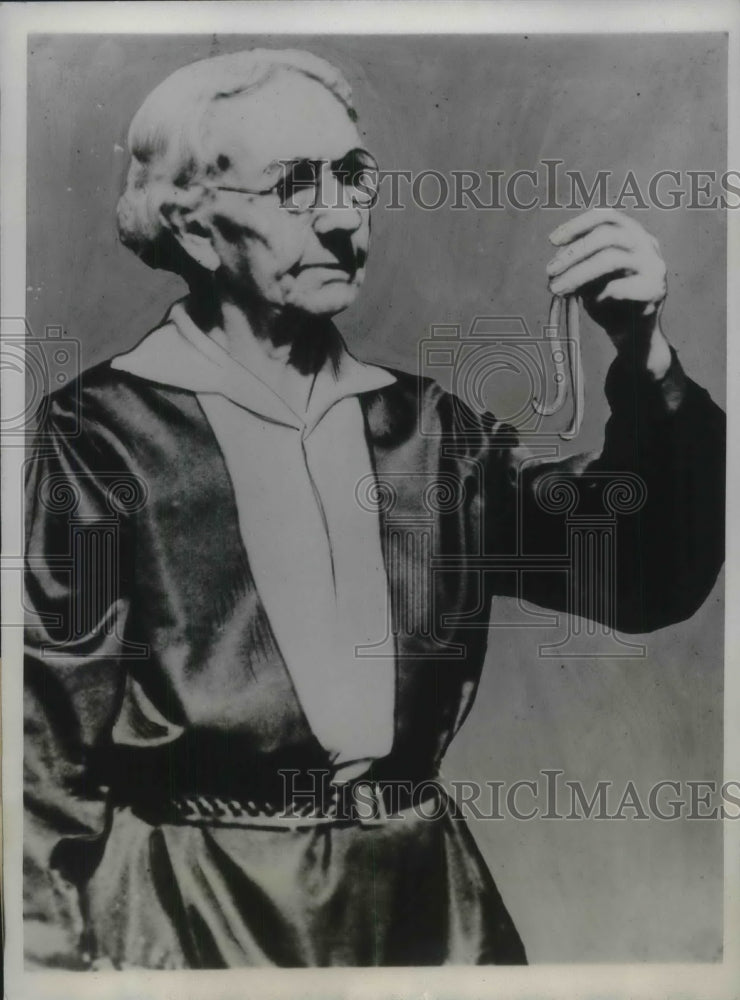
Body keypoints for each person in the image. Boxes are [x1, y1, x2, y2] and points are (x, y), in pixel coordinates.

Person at [23, 48, 725, 970]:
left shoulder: (429, 431)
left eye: (354, 176)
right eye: (296, 185)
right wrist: (47, 964)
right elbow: (36, 746)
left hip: (426, 916)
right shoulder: (100, 431)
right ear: (195, 230)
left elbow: (643, 575)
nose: (344, 215)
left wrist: (646, 358)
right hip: (194, 920)